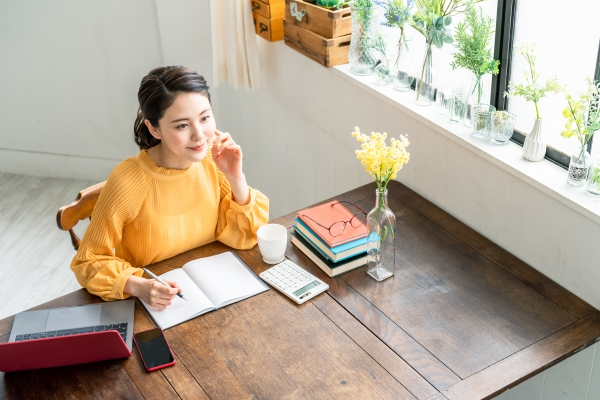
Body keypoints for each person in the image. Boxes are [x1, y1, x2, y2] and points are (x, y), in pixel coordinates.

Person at [70, 66, 269, 310]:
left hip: (219, 291)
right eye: (182, 126)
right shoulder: (127, 181)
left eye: (205, 118)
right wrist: (139, 286)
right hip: (157, 304)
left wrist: (236, 177)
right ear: (154, 128)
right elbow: (88, 261)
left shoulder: (212, 158)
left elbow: (248, 235)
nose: (199, 136)